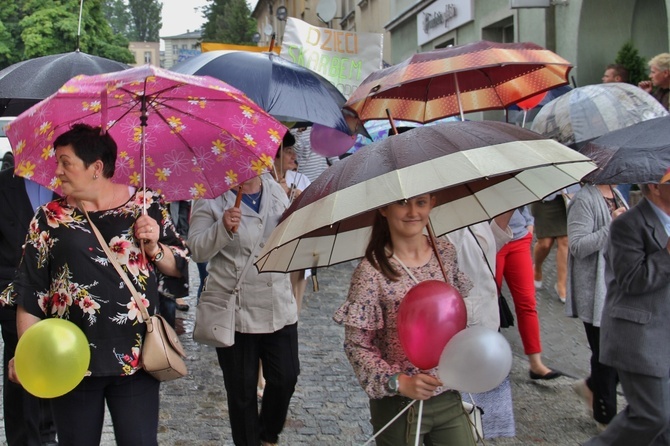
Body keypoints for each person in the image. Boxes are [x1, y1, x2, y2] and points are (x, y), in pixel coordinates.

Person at [5, 123, 189, 446]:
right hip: (70, 359)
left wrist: (155, 248)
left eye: (66, 162)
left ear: (96, 168)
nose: (57, 171)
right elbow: (30, 292)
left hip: (137, 359)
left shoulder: (145, 206)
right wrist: (27, 352)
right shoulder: (48, 218)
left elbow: (179, 268)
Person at [334, 194, 477, 445]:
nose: (412, 211)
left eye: (420, 202)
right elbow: (357, 346)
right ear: (384, 209)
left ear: (432, 202)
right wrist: (399, 382)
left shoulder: (445, 253)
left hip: (447, 393)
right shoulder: (371, 271)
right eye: (402, 202)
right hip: (398, 404)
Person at [188, 173, 299, 446]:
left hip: (278, 304)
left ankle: (268, 435)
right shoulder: (211, 196)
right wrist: (222, 228)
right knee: (242, 393)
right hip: (235, 310)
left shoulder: (275, 190)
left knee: (286, 377)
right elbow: (197, 249)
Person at [583, 170, 670, 445]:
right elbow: (632, 280)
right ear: (656, 187)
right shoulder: (628, 225)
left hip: (665, 333)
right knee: (653, 416)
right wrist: (667, 254)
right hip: (640, 336)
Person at [0, 168, 58, 445]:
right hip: (13, 296)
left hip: (64, 293)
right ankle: (23, 440)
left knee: (58, 362)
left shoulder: (73, 185)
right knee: (20, 368)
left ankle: (50, 432)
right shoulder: (3, 184)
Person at [446, 213, 516, 439]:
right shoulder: (441, 222)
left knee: (484, 424)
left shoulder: (472, 211)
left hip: (486, 323)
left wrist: (509, 209)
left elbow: (486, 248)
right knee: (463, 419)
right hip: (463, 331)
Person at [566, 184, 627, 432]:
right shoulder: (584, 199)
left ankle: (591, 387)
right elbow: (578, 246)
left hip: (619, 288)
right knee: (606, 356)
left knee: (624, 354)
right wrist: (611, 226)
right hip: (596, 291)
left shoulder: (616, 192)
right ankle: (606, 418)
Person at [497, 207, 561, 380]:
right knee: (491, 302)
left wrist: (529, 223)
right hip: (491, 240)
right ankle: (493, 360)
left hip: (518, 238)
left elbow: (521, 198)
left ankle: (535, 363)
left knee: (527, 301)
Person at [271, 131, 312, 312]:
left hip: (297, 253)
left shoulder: (300, 180)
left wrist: (300, 198)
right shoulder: (263, 182)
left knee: (294, 307)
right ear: (276, 152)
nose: (293, 156)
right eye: (288, 151)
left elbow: (316, 212)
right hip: (271, 253)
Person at [531, 185, 581, 303]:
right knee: (545, 243)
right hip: (544, 198)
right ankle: (537, 268)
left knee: (565, 240)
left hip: (568, 197)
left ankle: (561, 285)